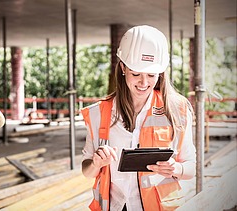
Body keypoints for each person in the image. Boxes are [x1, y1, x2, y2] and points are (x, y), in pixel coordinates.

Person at [80, 25, 196, 211]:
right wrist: (96, 163)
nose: (144, 83)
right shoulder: (98, 113)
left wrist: (176, 169)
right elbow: (87, 171)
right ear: (123, 68)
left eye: (151, 75)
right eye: (136, 74)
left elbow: (191, 167)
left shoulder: (178, 110)